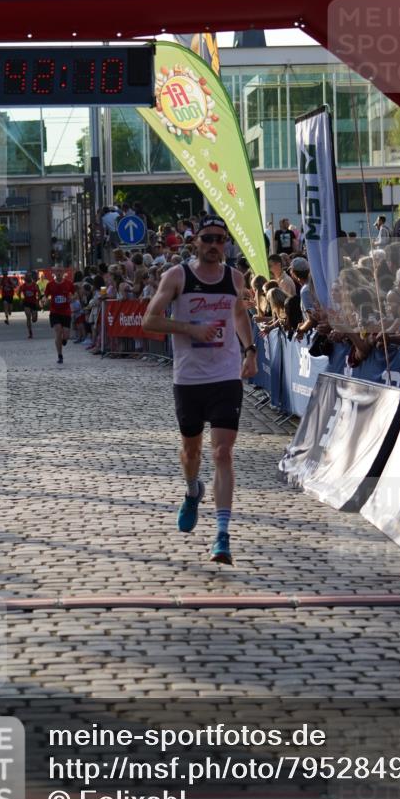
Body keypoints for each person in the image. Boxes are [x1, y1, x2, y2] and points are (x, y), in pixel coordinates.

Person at [142, 215, 258, 565]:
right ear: (196, 242)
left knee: (222, 453)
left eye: (220, 240)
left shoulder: (234, 278)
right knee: (191, 453)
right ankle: (193, 491)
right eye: (207, 238)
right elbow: (149, 319)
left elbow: (239, 315)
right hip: (189, 379)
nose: (213, 245)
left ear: (226, 244)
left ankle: (222, 535)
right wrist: (191, 329)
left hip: (225, 377)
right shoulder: (178, 276)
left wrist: (250, 351)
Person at [44, 269, 75, 364]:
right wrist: (45, 300)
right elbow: (45, 295)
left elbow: (75, 294)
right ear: (54, 273)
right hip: (54, 312)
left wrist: (72, 298)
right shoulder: (50, 284)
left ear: (63, 273)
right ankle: (60, 355)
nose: (58, 273)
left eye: (60, 272)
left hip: (66, 312)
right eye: (57, 272)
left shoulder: (69, 283)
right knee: (58, 331)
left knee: (66, 336)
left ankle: (64, 340)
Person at [18, 271, 40, 338]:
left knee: (34, 320)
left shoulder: (35, 285)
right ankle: (30, 332)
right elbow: (18, 293)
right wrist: (20, 300)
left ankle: (35, 316)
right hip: (26, 303)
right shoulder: (23, 286)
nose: (28, 277)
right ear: (25, 277)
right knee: (28, 316)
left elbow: (39, 293)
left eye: (29, 276)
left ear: (31, 277)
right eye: (27, 276)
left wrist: (37, 300)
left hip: (33, 303)